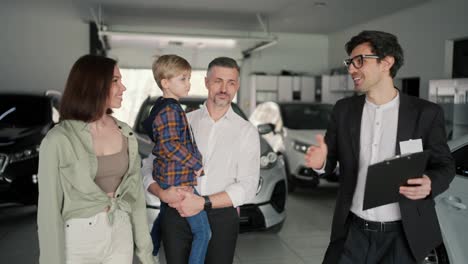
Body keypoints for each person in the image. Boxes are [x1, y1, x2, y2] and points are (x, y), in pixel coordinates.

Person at [305, 30, 455, 264]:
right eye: (350, 62)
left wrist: (430, 184)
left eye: (359, 61)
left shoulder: (425, 113)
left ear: (387, 62)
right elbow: (330, 159)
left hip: (404, 236)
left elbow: (445, 165)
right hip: (352, 233)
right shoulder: (344, 110)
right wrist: (321, 162)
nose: (351, 69)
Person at [37, 55, 155, 264]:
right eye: (115, 81)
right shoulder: (58, 139)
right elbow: (48, 211)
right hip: (78, 239)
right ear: (94, 85)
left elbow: (136, 199)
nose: (123, 88)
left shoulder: (125, 132)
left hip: (120, 230)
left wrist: (147, 255)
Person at [142, 57, 260, 264]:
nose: (224, 88)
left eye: (231, 82)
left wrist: (202, 202)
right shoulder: (183, 120)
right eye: (218, 81)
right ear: (206, 82)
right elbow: (149, 166)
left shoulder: (246, 132)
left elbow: (249, 187)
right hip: (175, 213)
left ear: (237, 86)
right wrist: (161, 193)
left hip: (221, 217)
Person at [141, 54, 210, 264]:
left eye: (188, 78)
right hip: (178, 180)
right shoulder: (170, 110)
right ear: (165, 83)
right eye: (183, 79)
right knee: (203, 233)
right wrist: (196, 164)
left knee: (164, 214)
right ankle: (150, 251)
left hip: (169, 176)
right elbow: (169, 145)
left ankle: (150, 250)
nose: (188, 84)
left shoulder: (164, 106)